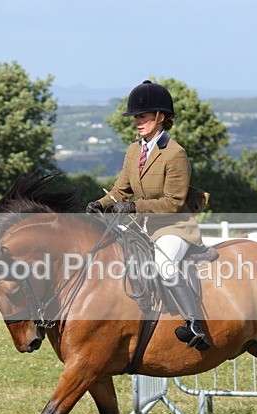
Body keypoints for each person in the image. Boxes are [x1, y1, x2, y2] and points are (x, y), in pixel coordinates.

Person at [86, 80, 208, 350]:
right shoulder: (133, 151)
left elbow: (174, 203)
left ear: (160, 117)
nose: (137, 122)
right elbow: (121, 190)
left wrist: (134, 207)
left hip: (173, 227)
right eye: (136, 117)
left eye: (142, 116)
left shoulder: (175, 154)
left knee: (164, 265)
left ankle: (195, 325)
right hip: (142, 227)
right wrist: (101, 203)